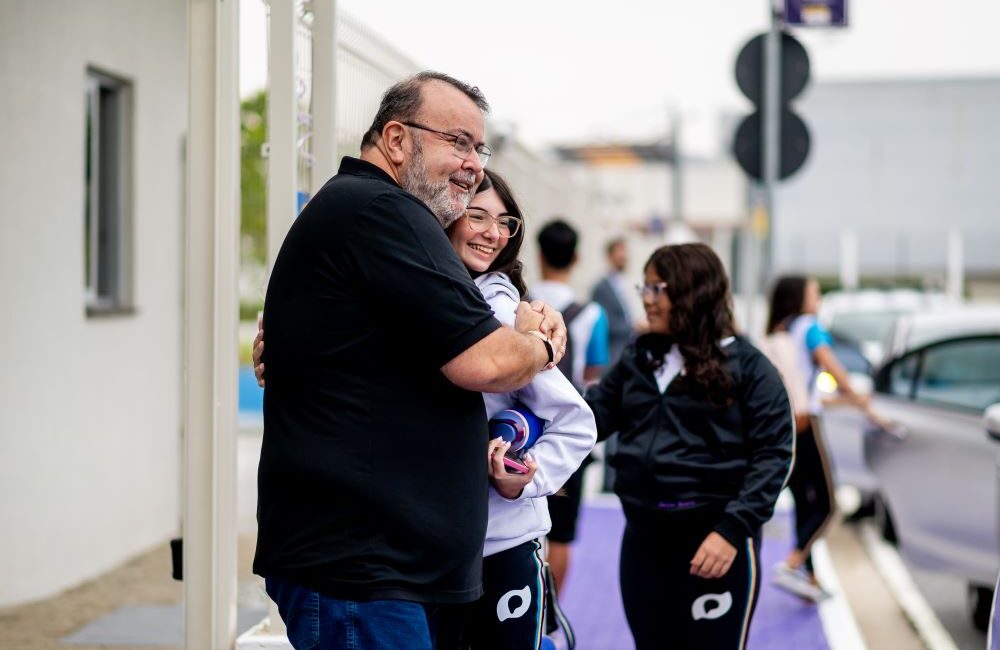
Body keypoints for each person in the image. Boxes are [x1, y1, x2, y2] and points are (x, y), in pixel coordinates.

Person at [252, 71, 568, 650]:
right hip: (361, 571)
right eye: (458, 142)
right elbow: (484, 361)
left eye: (481, 147)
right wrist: (541, 343)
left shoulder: (373, 213)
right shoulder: (380, 210)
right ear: (397, 140)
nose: (474, 164)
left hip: (388, 572)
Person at [585, 243, 794, 650]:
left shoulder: (750, 368)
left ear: (691, 291)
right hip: (643, 543)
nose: (645, 300)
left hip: (714, 543)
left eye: (655, 288)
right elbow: (588, 420)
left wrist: (732, 531)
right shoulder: (639, 359)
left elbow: (776, 456)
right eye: (643, 288)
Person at [447, 170, 595, 649]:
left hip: (504, 543)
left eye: (504, 221)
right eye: (477, 216)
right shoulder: (416, 299)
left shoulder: (508, 315)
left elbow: (575, 421)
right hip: (426, 550)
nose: (493, 231)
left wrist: (528, 476)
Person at [765, 275, 884, 603]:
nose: (818, 299)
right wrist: (863, 403)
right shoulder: (810, 327)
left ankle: (811, 578)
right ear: (800, 297)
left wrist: (844, 401)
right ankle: (792, 563)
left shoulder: (780, 330)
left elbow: (802, 386)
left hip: (785, 425)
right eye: (814, 293)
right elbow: (832, 367)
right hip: (808, 424)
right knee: (829, 504)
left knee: (805, 503)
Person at [530, 219, 609, 594]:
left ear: (539, 253)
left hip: (519, 431)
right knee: (560, 535)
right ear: (576, 257)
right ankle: (549, 621)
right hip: (563, 437)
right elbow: (594, 374)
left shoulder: (519, 302)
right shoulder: (592, 315)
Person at [590, 237, 640, 367]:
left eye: (625, 252)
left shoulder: (624, 284)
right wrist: (634, 327)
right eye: (620, 253)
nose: (624, 256)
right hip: (613, 356)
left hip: (628, 352)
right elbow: (604, 323)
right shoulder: (601, 288)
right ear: (609, 256)